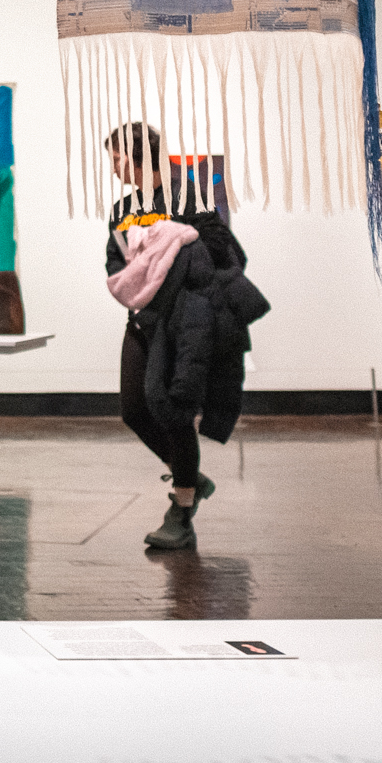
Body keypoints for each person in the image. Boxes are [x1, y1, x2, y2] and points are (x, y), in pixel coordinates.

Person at [102, 123, 265, 550]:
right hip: (143, 319)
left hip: (182, 324)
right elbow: (114, 262)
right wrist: (137, 278)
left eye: (116, 157)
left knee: (173, 411)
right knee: (133, 409)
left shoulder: (189, 199)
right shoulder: (122, 208)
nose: (113, 167)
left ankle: (182, 505)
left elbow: (223, 254)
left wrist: (171, 247)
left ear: (137, 154)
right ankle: (189, 474)